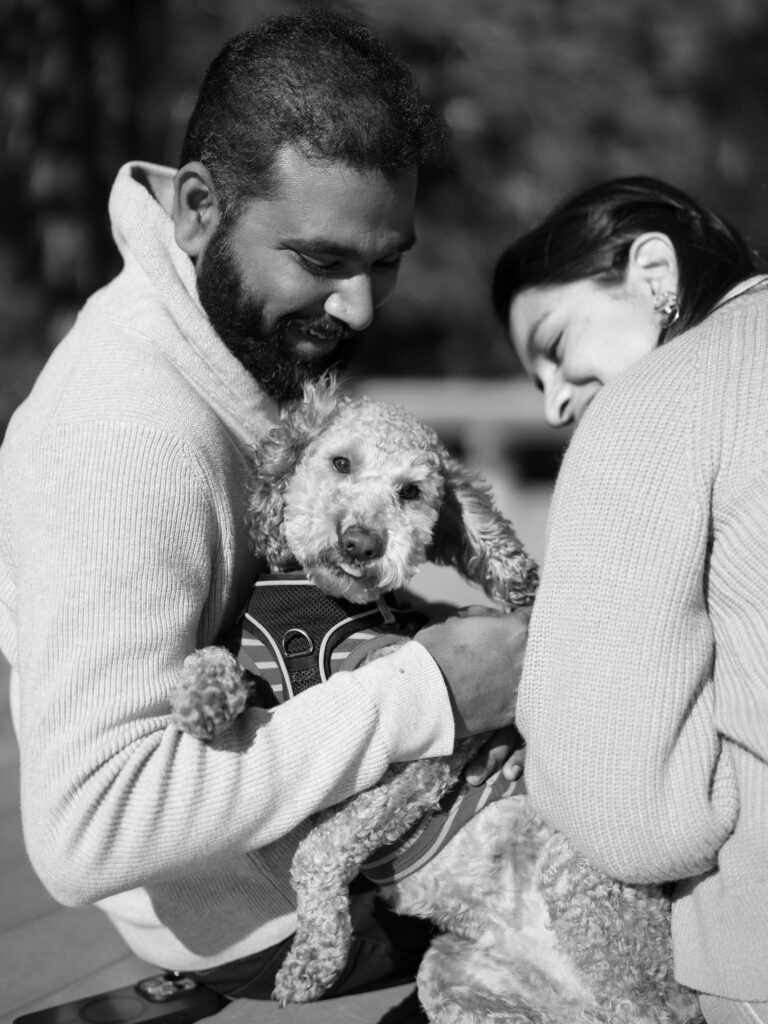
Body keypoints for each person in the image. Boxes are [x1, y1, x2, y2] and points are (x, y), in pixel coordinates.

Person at [0, 10, 529, 1004]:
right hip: (279, 910)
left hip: (374, 828)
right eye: (324, 263)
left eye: (386, 261)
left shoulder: (229, 347)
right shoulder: (122, 434)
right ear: (199, 208)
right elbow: (88, 826)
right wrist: (431, 692)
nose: (362, 308)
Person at [492, 175, 768, 1023]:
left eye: (554, 341)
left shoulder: (658, 397)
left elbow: (624, 808)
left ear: (654, 272)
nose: (554, 401)